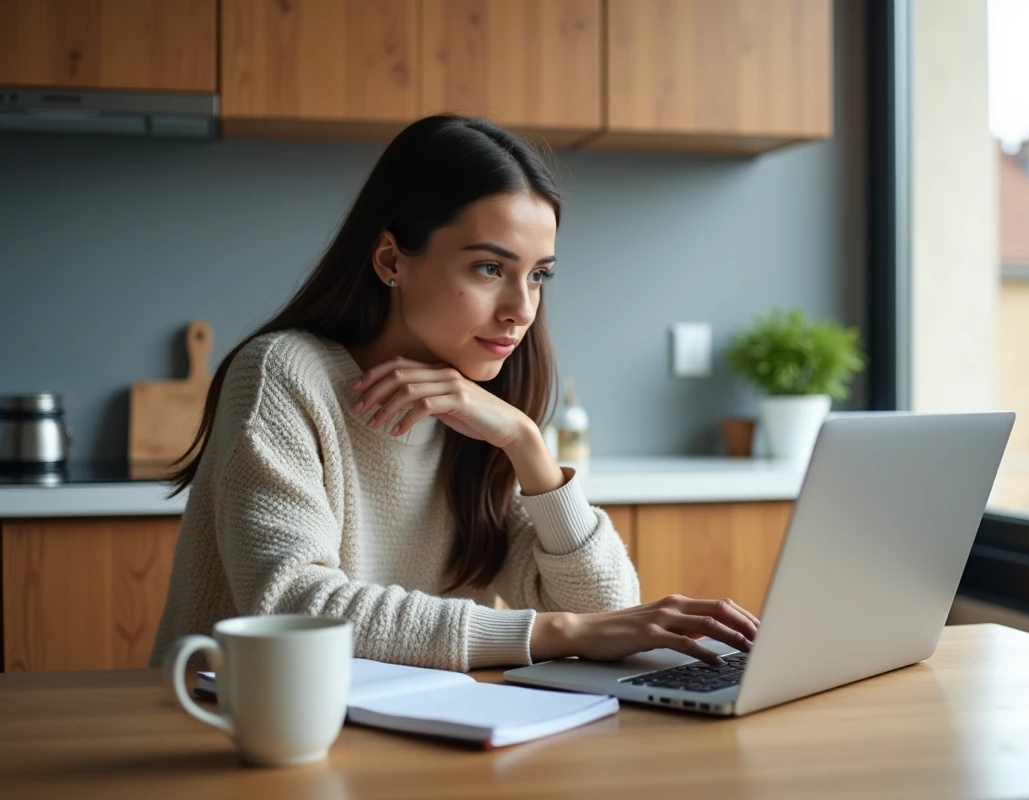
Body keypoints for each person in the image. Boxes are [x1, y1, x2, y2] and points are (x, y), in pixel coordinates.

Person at [149, 114, 758, 672]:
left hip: (405, 729)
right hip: (233, 731)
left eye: (539, 275)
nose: (521, 309)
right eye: (490, 269)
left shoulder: (480, 413)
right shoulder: (281, 374)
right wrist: (556, 632)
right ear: (391, 259)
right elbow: (292, 606)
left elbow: (607, 609)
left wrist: (526, 445)